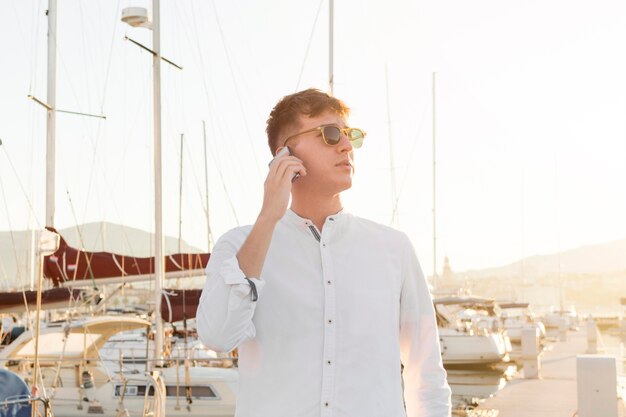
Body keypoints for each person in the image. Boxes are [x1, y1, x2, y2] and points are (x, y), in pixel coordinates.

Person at [197, 88, 451, 417]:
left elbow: (426, 373)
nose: (347, 146)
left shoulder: (394, 249)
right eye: (330, 134)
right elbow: (218, 336)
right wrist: (268, 218)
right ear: (284, 155)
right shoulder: (238, 247)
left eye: (350, 135)